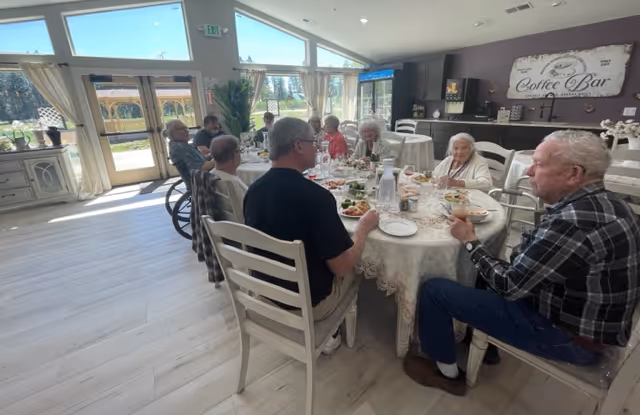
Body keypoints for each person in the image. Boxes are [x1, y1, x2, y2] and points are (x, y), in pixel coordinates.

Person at [404, 130, 640, 397]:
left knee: (434, 290)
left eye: (538, 163)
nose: (528, 171)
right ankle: (486, 346)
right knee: (480, 272)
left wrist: (470, 241)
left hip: (570, 338)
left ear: (573, 173)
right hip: (586, 321)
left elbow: (509, 285)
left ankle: (446, 373)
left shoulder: (574, 222)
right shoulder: (612, 204)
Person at [244, 118, 379, 352]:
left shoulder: (252, 191)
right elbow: (341, 267)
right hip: (308, 302)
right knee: (359, 266)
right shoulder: (317, 198)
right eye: (313, 142)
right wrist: (363, 229)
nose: (317, 147)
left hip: (266, 289)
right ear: (298, 146)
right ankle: (330, 331)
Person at [166, 119, 215, 190]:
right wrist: (219, 160)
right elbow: (201, 168)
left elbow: (201, 160)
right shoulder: (180, 148)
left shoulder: (183, 145)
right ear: (172, 133)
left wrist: (213, 155)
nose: (186, 130)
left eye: (186, 128)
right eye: (181, 129)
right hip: (200, 183)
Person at [210, 135, 248, 223]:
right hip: (247, 230)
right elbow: (250, 211)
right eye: (240, 151)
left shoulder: (210, 175)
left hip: (227, 227)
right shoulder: (232, 183)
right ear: (235, 154)